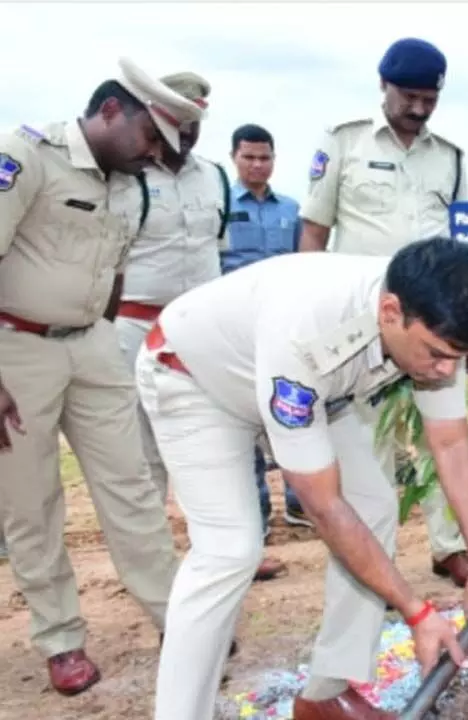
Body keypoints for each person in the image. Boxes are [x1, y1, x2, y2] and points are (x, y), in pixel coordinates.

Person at [140, 238, 468, 720]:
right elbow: (323, 505)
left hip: (319, 392)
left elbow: (452, 446)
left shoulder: (434, 324)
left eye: (458, 358)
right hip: (197, 380)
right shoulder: (307, 329)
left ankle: (325, 694)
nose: (446, 370)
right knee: (229, 551)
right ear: (390, 311)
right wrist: (416, 611)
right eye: (438, 355)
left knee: (374, 504)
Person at [0, 57, 201, 696]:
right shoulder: (26, 156)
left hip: (92, 348)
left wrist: (102, 336)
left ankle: (177, 624)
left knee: (133, 488)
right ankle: (60, 638)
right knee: (31, 504)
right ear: (113, 109)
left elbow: (112, 270)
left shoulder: (127, 180)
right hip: (15, 350)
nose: (153, 155)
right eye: (150, 138)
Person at [298, 37, 468, 586]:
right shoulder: (343, 143)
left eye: (430, 100)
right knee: (366, 447)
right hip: (363, 328)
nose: (419, 110)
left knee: (443, 439)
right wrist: (311, 313)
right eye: (409, 98)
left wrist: (467, 325)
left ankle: (450, 546)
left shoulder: (450, 157)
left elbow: (463, 245)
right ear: (383, 86)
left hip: (437, 325)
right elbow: (314, 233)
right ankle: (373, 553)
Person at [110, 72, 289, 585]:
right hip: (136, 328)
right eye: (176, 120)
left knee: (225, 442)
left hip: (203, 334)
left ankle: (237, 552)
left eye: (194, 122)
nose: (185, 132)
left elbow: (216, 252)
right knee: (146, 460)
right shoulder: (128, 177)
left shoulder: (212, 177)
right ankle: (161, 574)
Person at [222, 122, 309, 533]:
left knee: (290, 407)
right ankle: (255, 509)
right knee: (241, 415)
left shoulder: (291, 210)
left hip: (281, 324)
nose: (258, 165)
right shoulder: (220, 204)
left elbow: (302, 263)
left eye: (265, 157)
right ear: (234, 158)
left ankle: (299, 501)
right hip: (234, 324)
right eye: (249, 157)